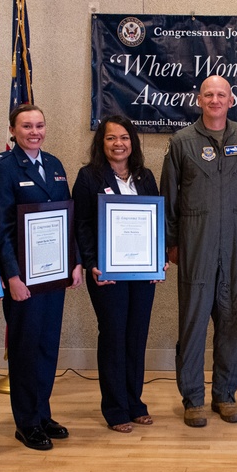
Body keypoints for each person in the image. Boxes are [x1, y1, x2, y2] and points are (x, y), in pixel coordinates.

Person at [161, 75, 237, 427]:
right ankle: (192, 398)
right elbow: (168, 197)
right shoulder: (182, 141)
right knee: (193, 321)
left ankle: (225, 395)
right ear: (198, 99)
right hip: (195, 242)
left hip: (234, 243)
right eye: (209, 95)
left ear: (231, 100)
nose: (215, 100)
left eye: (222, 94)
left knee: (232, 321)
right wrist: (171, 242)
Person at [0, 103, 83, 450]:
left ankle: (42, 412)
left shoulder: (55, 165)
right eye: (26, 126)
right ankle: (26, 422)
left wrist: (75, 262)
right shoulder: (3, 167)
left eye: (39, 125)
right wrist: (11, 276)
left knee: (46, 347)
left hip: (54, 275)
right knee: (26, 349)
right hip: (24, 279)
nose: (34, 132)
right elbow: (1, 226)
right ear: (12, 130)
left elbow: (67, 218)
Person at [73, 115, 163, 434]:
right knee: (113, 335)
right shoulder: (88, 177)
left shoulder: (145, 177)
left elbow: (157, 221)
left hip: (142, 274)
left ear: (132, 142)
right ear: (102, 143)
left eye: (124, 137)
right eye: (111, 138)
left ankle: (135, 402)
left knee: (136, 336)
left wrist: (159, 259)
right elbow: (81, 225)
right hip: (107, 272)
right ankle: (115, 408)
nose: (118, 143)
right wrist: (91, 262)